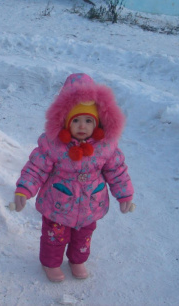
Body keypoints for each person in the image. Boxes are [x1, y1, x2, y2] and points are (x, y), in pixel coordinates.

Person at [13, 73, 134, 282]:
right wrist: (24, 189)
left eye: (88, 120)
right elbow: (36, 168)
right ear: (65, 120)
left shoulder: (105, 146)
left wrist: (124, 195)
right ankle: (50, 264)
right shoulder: (53, 144)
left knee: (84, 237)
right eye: (76, 120)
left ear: (97, 122)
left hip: (90, 206)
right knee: (54, 238)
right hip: (58, 204)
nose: (82, 126)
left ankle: (77, 260)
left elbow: (117, 171)